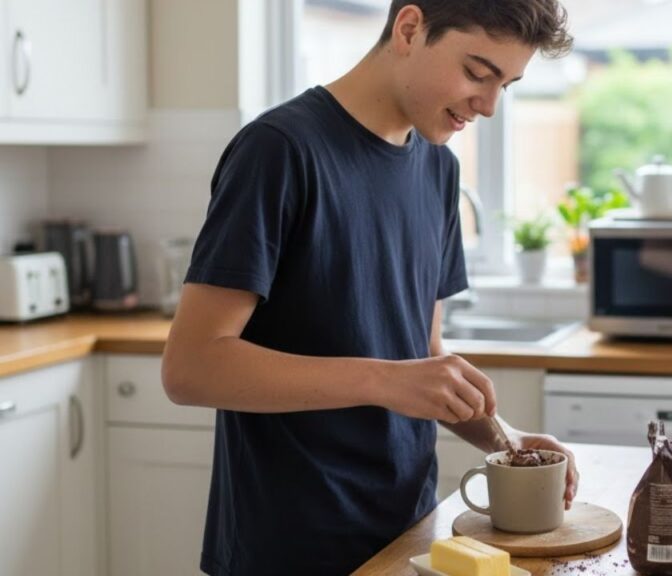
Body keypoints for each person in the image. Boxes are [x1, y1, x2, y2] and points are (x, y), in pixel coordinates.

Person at [160, 1, 576, 574]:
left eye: (505, 85)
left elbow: (420, 358)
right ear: (409, 29)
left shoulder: (439, 169)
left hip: (409, 532)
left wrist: (506, 440)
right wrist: (384, 379)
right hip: (290, 545)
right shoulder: (279, 150)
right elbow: (190, 368)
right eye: (477, 73)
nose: (488, 105)